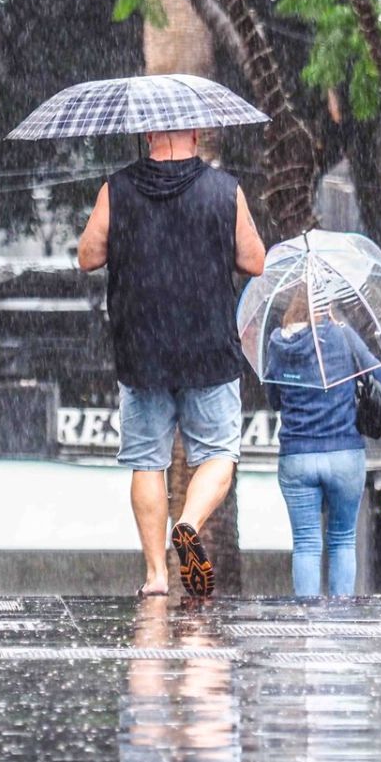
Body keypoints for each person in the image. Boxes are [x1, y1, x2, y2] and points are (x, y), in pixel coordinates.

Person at [78, 128, 266, 597]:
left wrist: (131, 234)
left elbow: (86, 256)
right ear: (197, 135)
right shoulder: (225, 191)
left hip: (142, 349)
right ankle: (188, 522)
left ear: (146, 134)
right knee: (220, 454)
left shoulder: (116, 189)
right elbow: (256, 261)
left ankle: (156, 577)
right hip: (209, 347)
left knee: (147, 462)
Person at [264, 292, 381, 596]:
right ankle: (340, 615)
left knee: (306, 542)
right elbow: (379, 373)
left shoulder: (278, 343)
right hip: (345, 453)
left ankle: (308, 622)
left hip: (297, 456)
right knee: (343, 538)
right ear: (326, 307)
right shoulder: (343, 335)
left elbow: (274, 400)